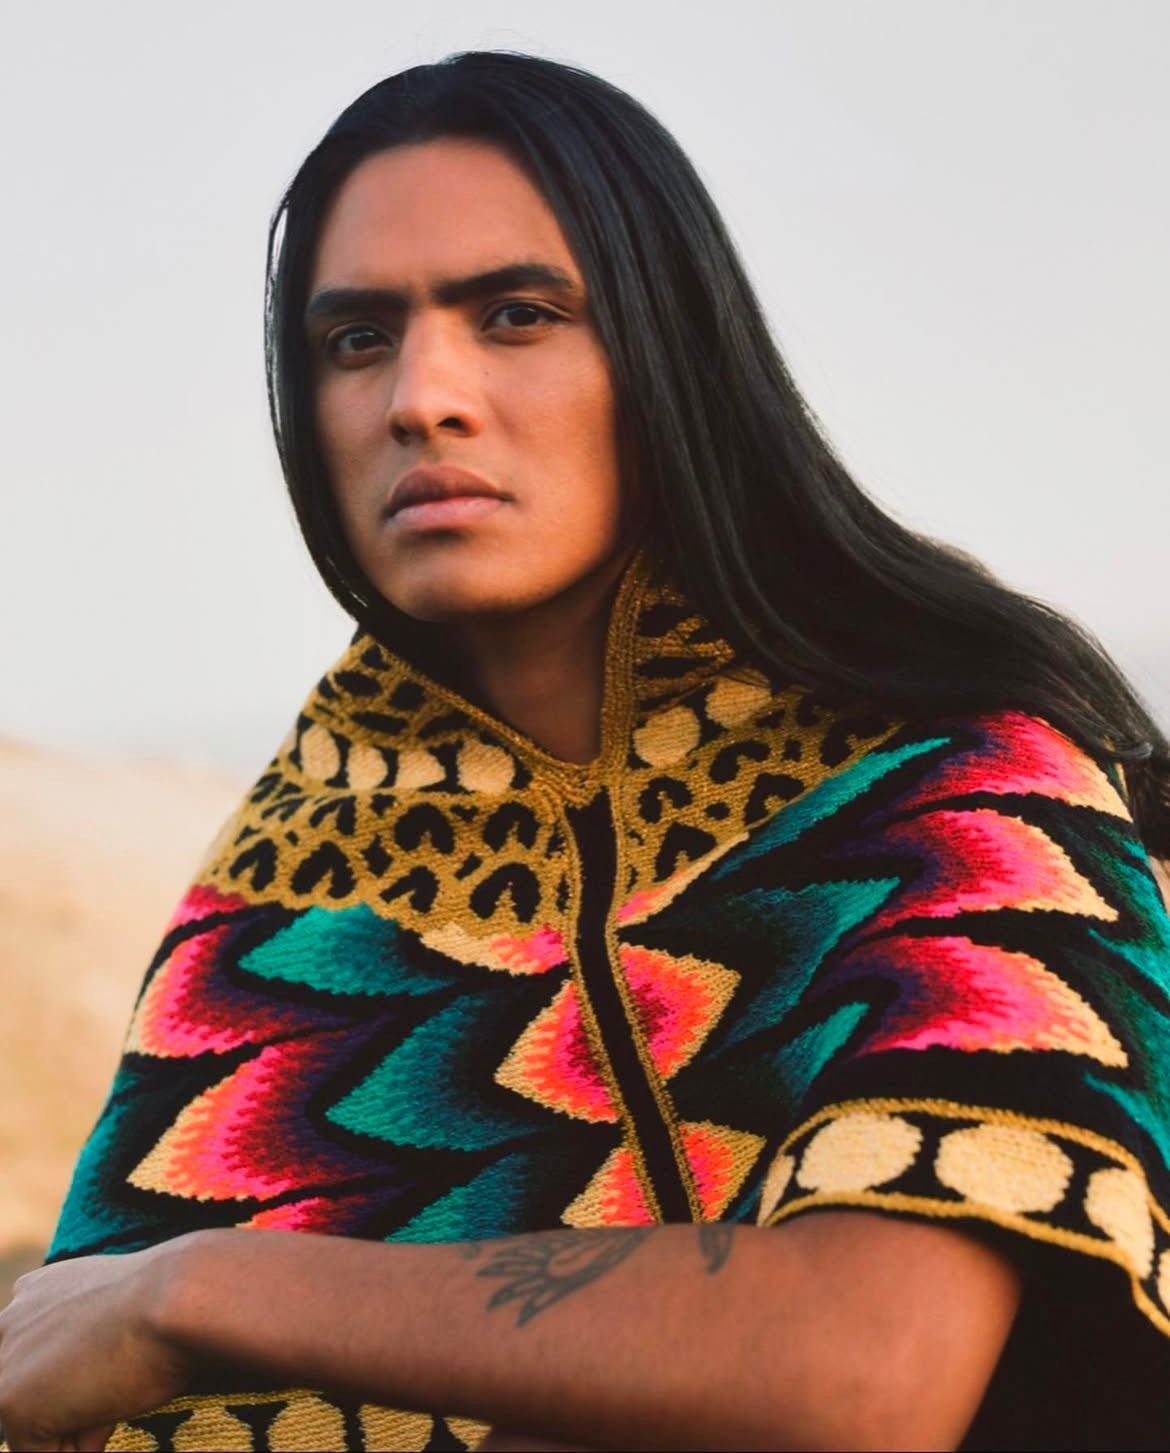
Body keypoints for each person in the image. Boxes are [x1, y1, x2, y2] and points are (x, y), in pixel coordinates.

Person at [2, 50, 1169, 1453]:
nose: (420, 397)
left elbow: (859, 1373)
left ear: (670, 349)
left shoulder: (958, 777)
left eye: (517, 314)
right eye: (356, 338)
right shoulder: (273, 913)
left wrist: (202, 1290)